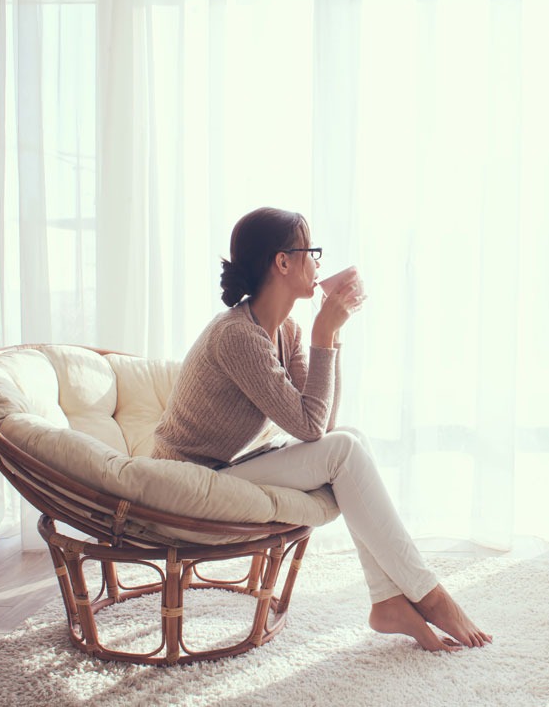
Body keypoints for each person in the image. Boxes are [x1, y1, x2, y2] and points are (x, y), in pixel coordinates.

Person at [152, 206, 491, 652]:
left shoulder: (284, 330)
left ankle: (388, 600)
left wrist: (330, 337)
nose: (319, 263)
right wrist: (323, 331)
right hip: (188, 482)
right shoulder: (238, 335)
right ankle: (429, 595)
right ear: (283, 262)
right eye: (312, 251)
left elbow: (323, 424)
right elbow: (313, 428)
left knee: (350, 439)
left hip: (223, 469)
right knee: (344, 450)